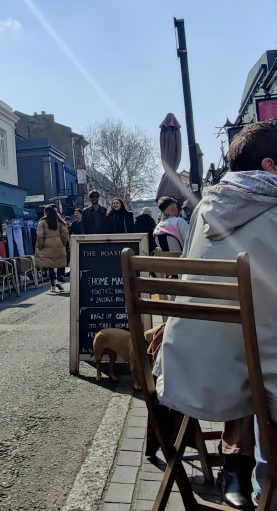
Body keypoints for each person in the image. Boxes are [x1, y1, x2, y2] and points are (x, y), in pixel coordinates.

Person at [153, 119, 277, 509]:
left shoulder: (205, 209)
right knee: (256, 353)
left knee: (244, 343)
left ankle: (239, 460)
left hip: (190, 366)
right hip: (255, 374)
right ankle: (257, 478)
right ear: (271, 166)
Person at [34, 205, 69, 291]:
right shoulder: (60, 222)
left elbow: (40, 236)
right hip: (58, 245)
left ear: (46, 213)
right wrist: (62, 243)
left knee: (50, 265)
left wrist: (40, 245)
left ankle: (53, 284)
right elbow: (65, 234)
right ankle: (58, 279)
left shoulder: (42, 223)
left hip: (47, 246)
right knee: (58, 263)